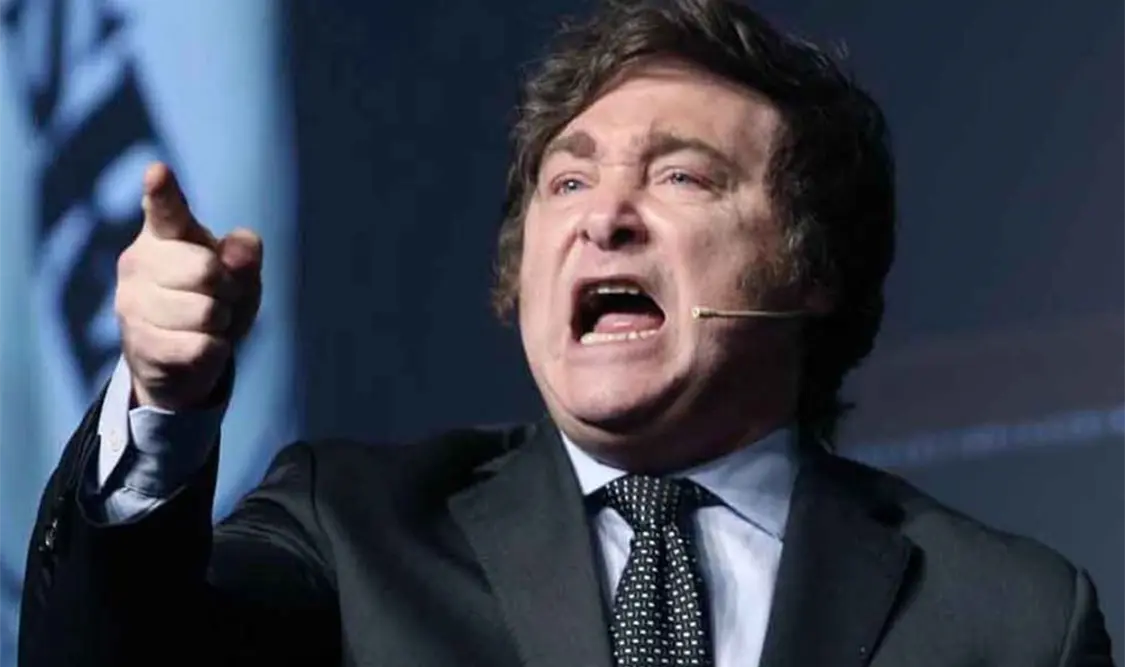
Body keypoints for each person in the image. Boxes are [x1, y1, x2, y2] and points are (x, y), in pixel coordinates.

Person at [18, 0, 1115, 665]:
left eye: (682, 175)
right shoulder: (350, 530)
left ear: (812, 266)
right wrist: (163, 411)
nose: (604, 217)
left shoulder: (1014, 616)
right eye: (568, 181)